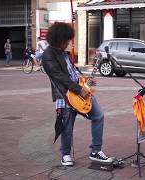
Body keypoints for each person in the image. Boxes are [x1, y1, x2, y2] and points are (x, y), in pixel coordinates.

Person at [42, 22, 112, 166]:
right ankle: (66, 155)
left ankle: (95, 151)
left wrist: (85, 82)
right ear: (58, 38)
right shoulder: (48, 55)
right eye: (66, 39)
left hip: (80, 92)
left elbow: (72, 74)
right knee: (67, 126)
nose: (68, 42)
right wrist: (80, 90)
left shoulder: (64, 53)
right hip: (65, 96)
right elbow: (59, 76)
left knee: (98, 116)